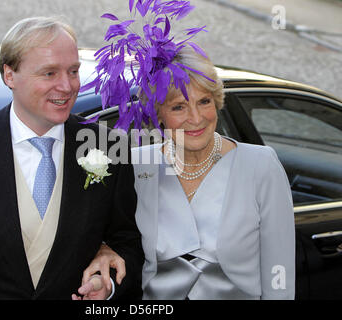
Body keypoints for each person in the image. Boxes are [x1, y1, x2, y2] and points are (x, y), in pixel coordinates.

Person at [81, 0, 295, 300]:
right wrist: (103, 251)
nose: (196, 118)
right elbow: (116, 240)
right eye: (179, 106)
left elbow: (279, 279)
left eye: (204, 101)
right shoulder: (137, 165)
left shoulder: (260, 165)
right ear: (158, 114)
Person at [0, 16, 143, 300]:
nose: (67, 86)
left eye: (73, 71)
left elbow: (128, 244)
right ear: (9, 75)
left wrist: (107, 284)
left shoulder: (108, 145)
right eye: (49, 73)